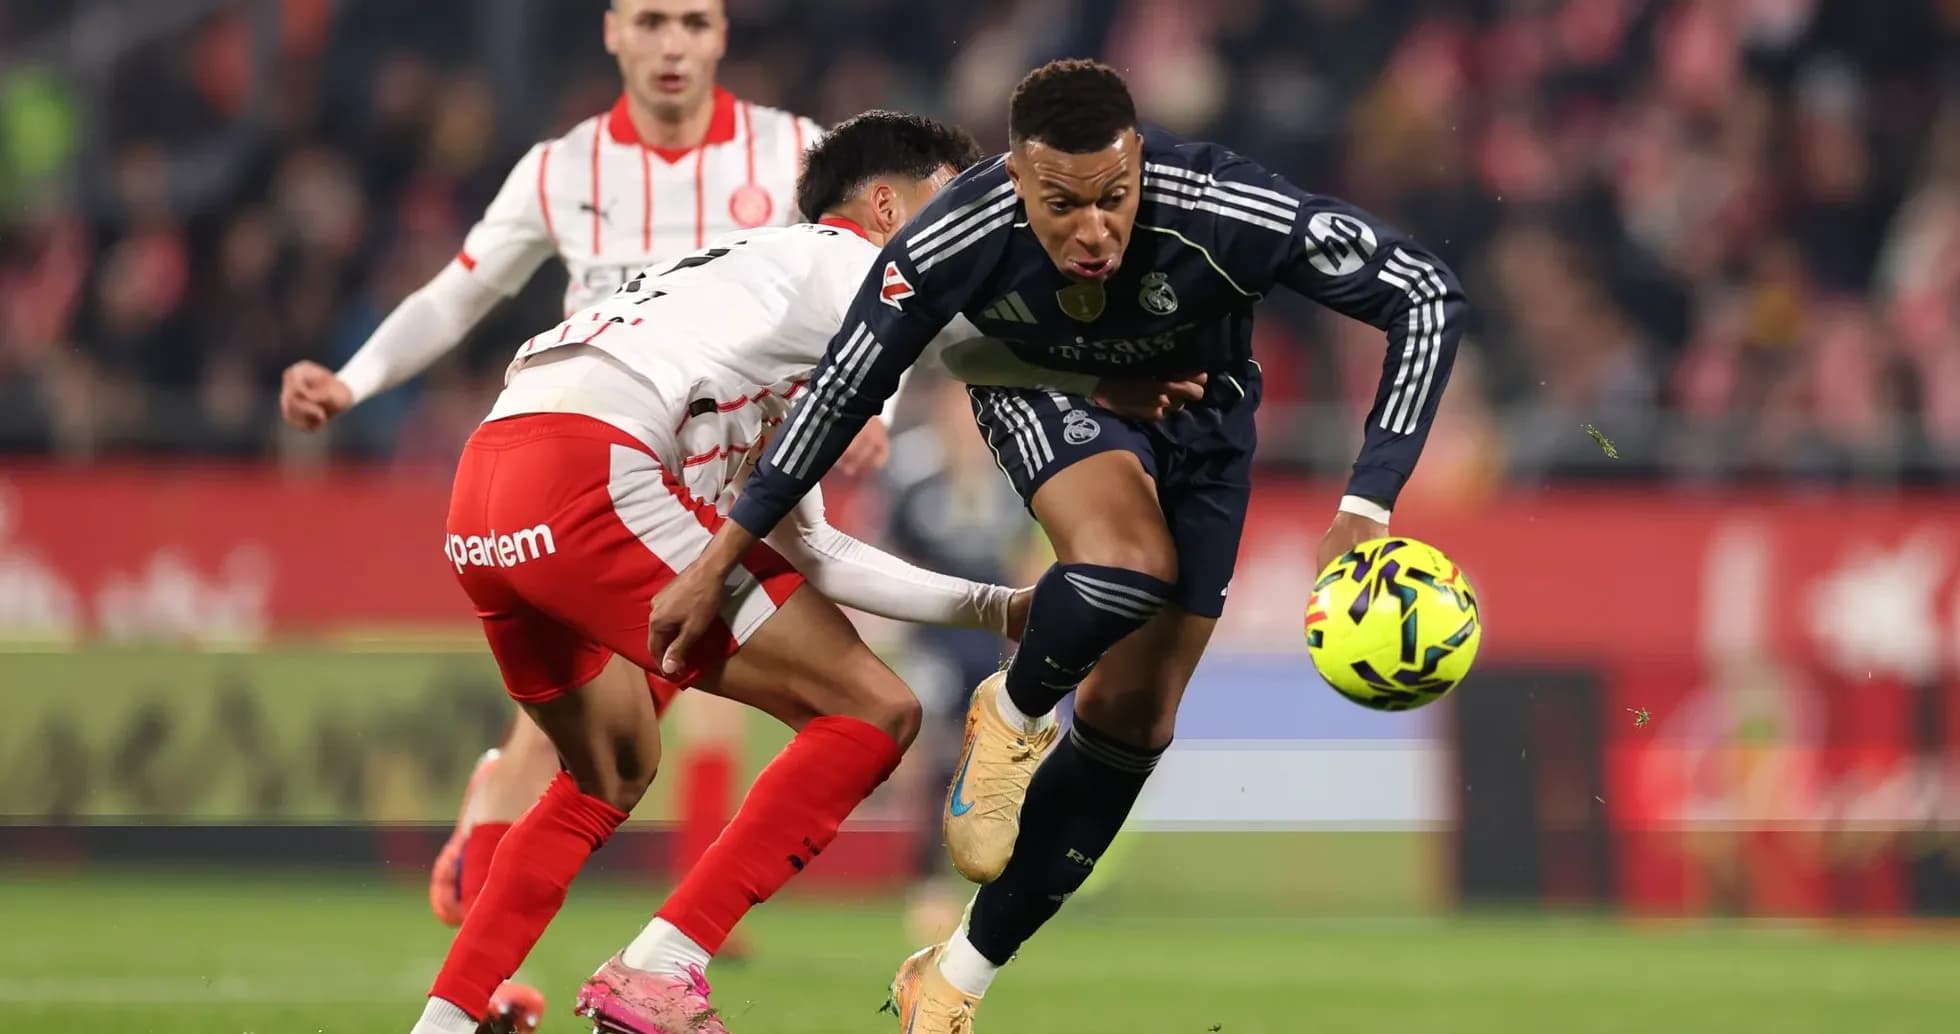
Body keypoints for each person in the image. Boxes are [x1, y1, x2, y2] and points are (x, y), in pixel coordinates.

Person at [644, 59, 1469, 1033]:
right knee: (1126, 563)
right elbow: (837, 395)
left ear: (1140, 165)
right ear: (1015, 178)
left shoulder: (1221, 204)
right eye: (1061, 205)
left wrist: (1367, 501)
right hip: (1042, 387)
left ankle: (950, 980)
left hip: (1205, 422)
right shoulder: (954, 237)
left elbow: (1424, 292)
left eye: (1114, 198)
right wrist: (717, 560)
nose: (1093, 231)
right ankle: (1015, 706)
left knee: (1134, 721)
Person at [404, 110, 1130, 1034]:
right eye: (951, 203)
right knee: (872, 711)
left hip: (488, 487)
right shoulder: (844, 264)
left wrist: (1004, 609)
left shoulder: (757, 303)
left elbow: (815, 551)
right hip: (588, 469)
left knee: (608, 769)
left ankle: (445, 1024)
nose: (967, 231)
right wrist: (1115, 369)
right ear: (883, 208)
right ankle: (662, 966)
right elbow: (968, 341)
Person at [275, 3, 876, 1019]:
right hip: (600, 484)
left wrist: (871, 410)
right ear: (612, 33)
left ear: (722, 35)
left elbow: (872, 292)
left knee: (609, 752)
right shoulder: (564, 168)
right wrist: (353, 379)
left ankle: (494, 961)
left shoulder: (793, 153)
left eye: (694, 22)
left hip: (725, 484)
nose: (673, 44)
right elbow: (459, 291)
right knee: (590, 749)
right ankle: (540, 966)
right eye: (652, 21)